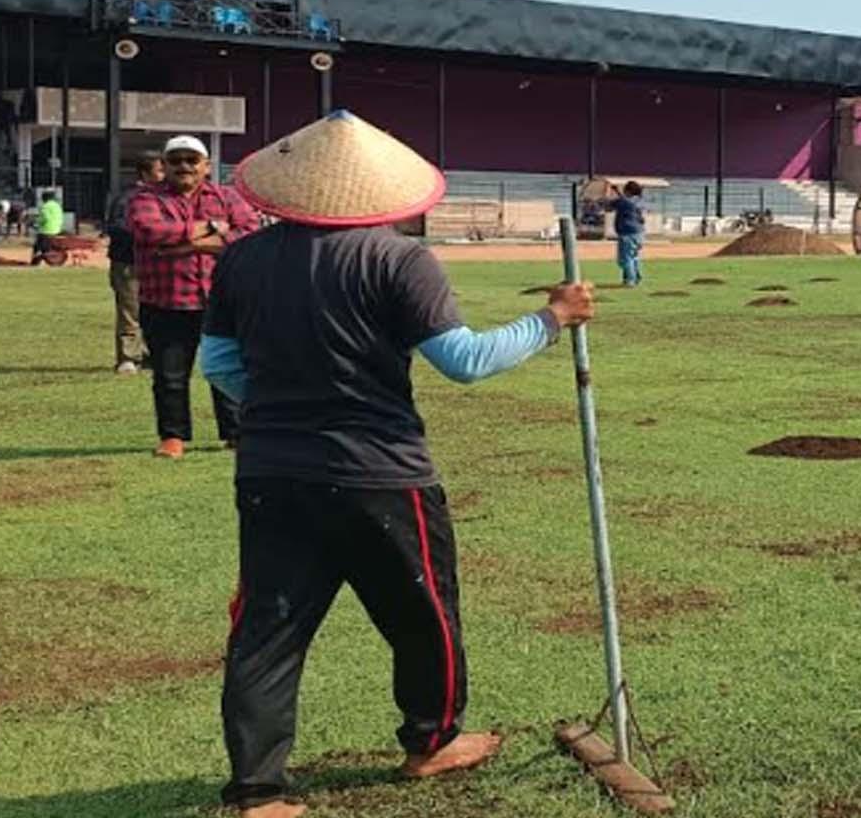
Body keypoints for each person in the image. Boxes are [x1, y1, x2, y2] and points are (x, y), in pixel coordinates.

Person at [199, 110, 595, 818]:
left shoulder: (241, 258)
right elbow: (466, 362)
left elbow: (218, 363)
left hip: (271, 471)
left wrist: (282, 407)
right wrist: (552, 319)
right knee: (423, 616)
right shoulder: (398, 260)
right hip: (381, 473)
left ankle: (257, 791)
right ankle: (430, 741)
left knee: (267, 628)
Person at [126, 135, 261, 458]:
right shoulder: (145, 198)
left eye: (191, 160)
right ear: (164, 165)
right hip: (166, 300)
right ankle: (173, 436)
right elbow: (150, 231)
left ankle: (236, 432)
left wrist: (188, 244)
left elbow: (250, 233)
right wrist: (216, 228)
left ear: (206, 166)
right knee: (170, 374)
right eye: (176, 161)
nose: (184, 166)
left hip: (224, 299)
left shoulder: (228, 196)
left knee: (227, 368)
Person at [108, 151, 167, 372]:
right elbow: (116, 227)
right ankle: (128, 358)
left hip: (156, 263)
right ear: (145, 173)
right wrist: (149, 234)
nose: (164, 175)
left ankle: (152, 354)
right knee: (130, 310)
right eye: (160, 170)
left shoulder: (163, 197)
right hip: (129, 263)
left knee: (154, 311)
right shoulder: (128, 198)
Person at [610, 180, 646, 286]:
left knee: (624, 259)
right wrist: (618, 192)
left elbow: (609, 204)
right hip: (639, 233)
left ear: (628, 191)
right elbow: (625, 200)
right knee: (633, 257)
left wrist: (610, 191)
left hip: (627, 233)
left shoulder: (624, 202)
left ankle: (630, 280)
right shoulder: (639, 202)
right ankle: (635, 278)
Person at [28, 188, 65, 264]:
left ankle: (35, 262)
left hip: (46, 231)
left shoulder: (45, 206)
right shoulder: (57, 206)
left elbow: (45, 218)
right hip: (57, 230)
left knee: (37, 246)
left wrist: (35, 223)